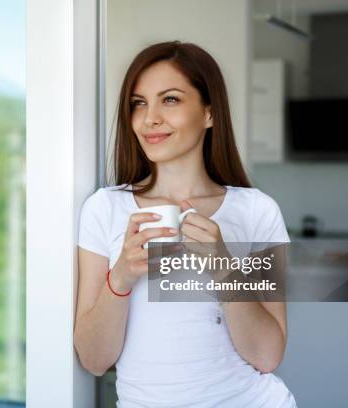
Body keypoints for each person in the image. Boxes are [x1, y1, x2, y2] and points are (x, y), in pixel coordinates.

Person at [74, 41, 297, 407]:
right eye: (139, 103)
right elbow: (95, 360)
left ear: (209, 113)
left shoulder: (257, 211)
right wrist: (121, 278)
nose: (150, 118)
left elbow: (267, 355)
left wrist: (224, 269)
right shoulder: (105, 209)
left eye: (171, 99)